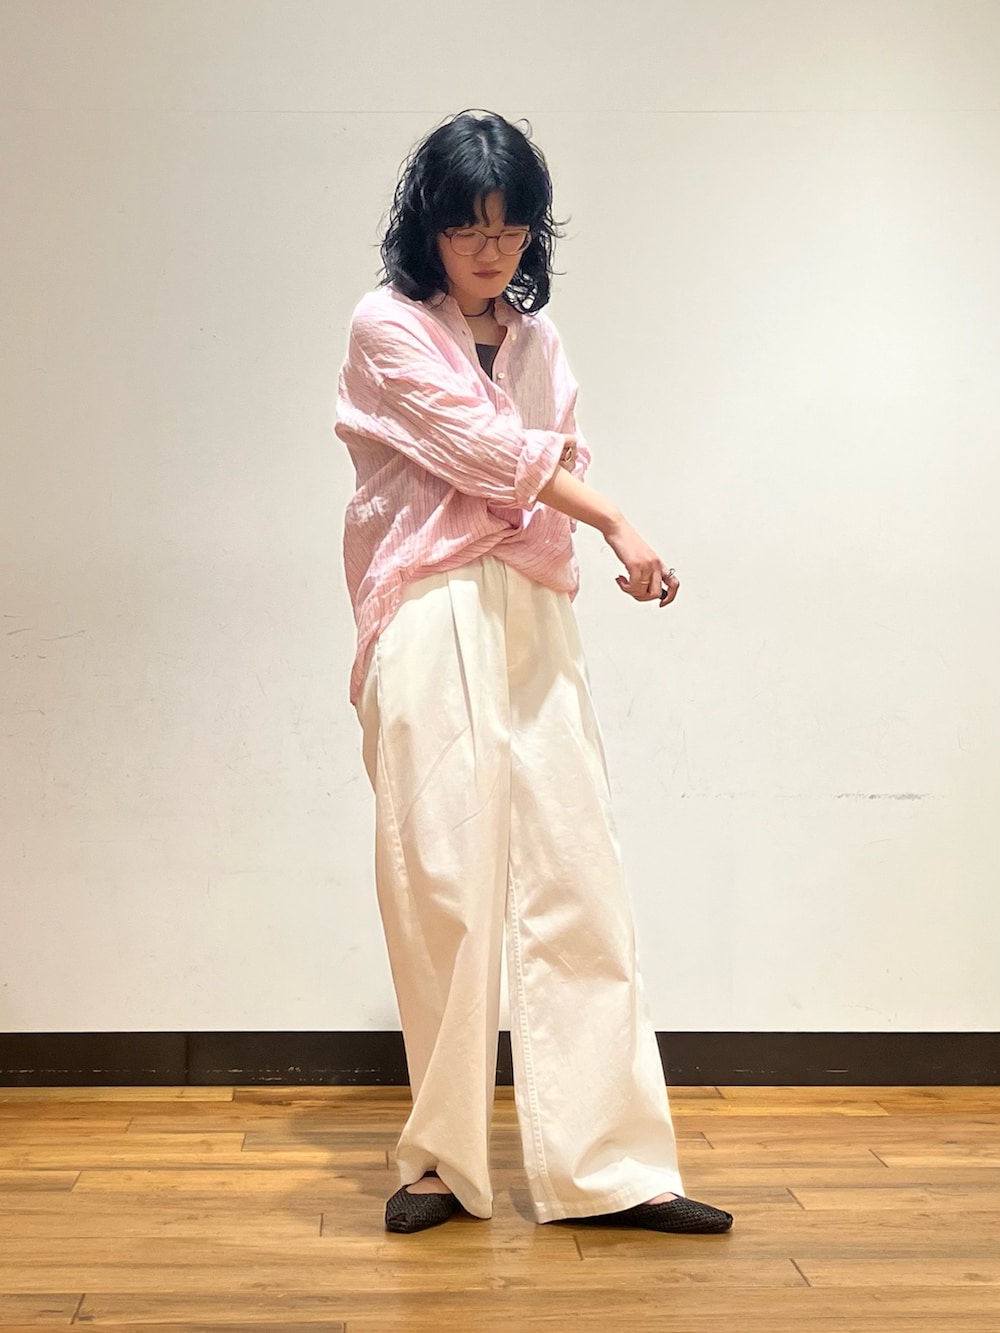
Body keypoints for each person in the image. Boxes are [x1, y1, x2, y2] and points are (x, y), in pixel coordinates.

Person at [335, 109, 733, 1238]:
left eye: (510, 229)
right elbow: (491, 451)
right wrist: (609, 518)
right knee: (442, 884)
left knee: (579, 873)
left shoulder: (537, 340)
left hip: (531, 607)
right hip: (426, 606)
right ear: (429, 225)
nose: (491, 250)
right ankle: (440, 1164)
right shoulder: (385, 326)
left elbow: (547, 458)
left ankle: (613, 1167)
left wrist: (551, 495)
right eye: (469, 227)